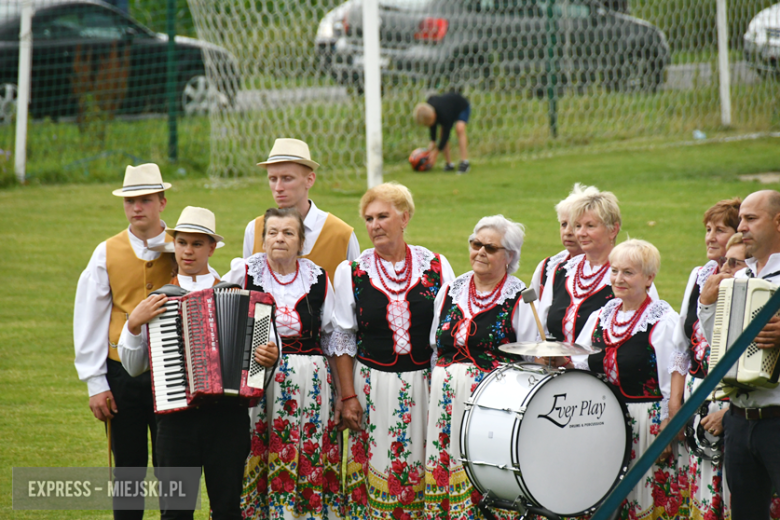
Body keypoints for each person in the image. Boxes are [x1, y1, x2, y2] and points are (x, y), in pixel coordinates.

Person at [117, 206, 280, 520]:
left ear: (212, 247)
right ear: (173, 245)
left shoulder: (239, 294)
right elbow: (134, 367)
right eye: (182, 243)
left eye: (196, 244)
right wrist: (133, 326)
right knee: (175, 513)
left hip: (228, 420)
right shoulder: (160, 300)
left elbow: (265, 362)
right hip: (175, 424)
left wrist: (269, 358)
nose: (188, 251)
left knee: (229, 509)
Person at [331, 182, 455, 519]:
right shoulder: (352, 272)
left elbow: (449, 330)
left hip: (425, 386)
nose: (374, 225)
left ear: (405, 217)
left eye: (383, 216)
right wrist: (347, 397)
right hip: (372, 388)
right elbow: (342, 339)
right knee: (377, 468)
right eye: (369, 219)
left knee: (424, 463)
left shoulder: (437, 267)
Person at [224, 207, 342, 520]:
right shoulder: (245, 273)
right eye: (272, 232)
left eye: (288, 233)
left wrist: (343, 394)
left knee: (307, 454)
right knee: (257, 451)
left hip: (311, 387)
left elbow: (332, 339)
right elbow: (220, 316)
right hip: (258, 385)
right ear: (262, 241)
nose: (279, 238)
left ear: (301, 243)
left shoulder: (318, 279)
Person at [73, 163, 175, 519]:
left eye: (145, 200)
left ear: (162, 202)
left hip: (172, 375)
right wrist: (95, 383)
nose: (136, 208)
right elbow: (89, 319)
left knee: (172, 469)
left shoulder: (183, 247)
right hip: (122, 377)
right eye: (130, 200)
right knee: (128, 472)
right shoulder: (106, 252)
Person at [426, 215, 539, 519]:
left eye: (490, 248)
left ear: (509, 256)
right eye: (475, 244)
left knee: (483, 476)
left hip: (490, 407)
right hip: (446, 401)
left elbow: (530, 360)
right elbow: (436, 348)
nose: (480, 252)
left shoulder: (519, 297)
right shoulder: (450, 290)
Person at [572, 239, 685, 519]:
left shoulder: (663, 321)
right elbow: (579, 360)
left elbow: (672, 379)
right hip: (604, 421)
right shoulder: (601, 316)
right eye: (614, 271)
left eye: (628, 272)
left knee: (643, 502)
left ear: (649, 278)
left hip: (648, 423)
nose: (618, 279)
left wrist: (669, 430)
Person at [698, 190, 780, 519]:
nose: (740, 227)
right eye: (741, 218)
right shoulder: (740, 278)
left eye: (751, 219)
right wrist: (706, 305)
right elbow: (720, 347)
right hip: (739, 419)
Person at [668, 198, 740, 520]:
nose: (710, 237)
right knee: (699, 487)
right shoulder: (699, 275)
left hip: (731, 399)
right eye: (707, 229)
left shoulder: (747, 283)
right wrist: (675, 404)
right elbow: (681, 345)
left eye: (720, 230)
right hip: (696, 397)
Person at [537, 187, 659, 346]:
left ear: (613, 230)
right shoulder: (561, 271)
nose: (581, 233)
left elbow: (647, 331)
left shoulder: (630, 276)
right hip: (554, 369)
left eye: (590, 226)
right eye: (578, 226)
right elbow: (540, 331)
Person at [242, 138, 360, 281]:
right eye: (273, 179)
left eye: (287, 178)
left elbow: (356, 293)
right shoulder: (255, 230)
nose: (278, 188)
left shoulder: (341, 235)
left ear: (310, 180)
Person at [530, 183, 589, 302]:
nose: (567, 232)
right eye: (564, 224)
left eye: (575, 225)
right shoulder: (547, 267)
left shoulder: (610, 269)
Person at [413, 92, 471, 173]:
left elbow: (446, 135)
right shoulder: (429, 107)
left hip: (462, 106)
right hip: (449, 108)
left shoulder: (444, 113)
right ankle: (449, 164)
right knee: (441, 133)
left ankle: (464, 162)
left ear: (434, 116)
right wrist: (432, 142)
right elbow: (432, 126)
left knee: (459, 128)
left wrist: (436, 152)